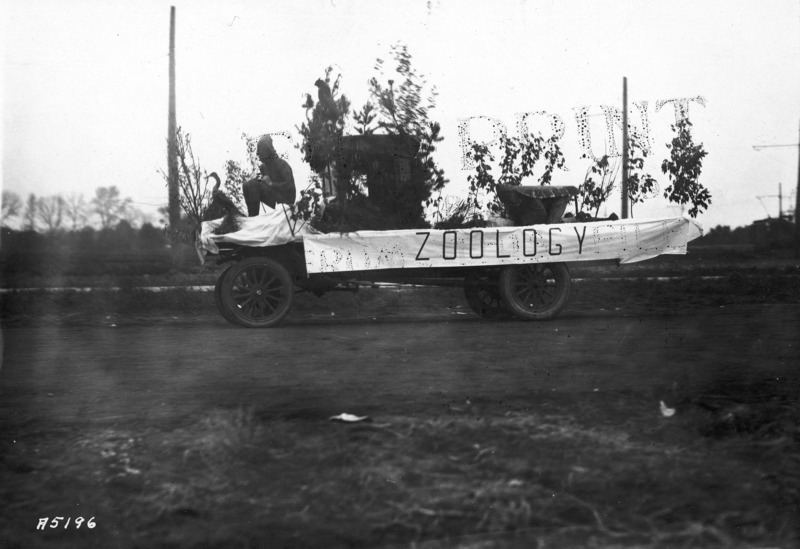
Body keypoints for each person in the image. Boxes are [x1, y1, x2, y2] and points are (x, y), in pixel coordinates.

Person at [242, 135, 296, 216]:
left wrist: (271, 184)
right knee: (246, 185)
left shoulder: (281, 164)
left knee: (253, 184)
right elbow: (264, 186)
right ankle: (251, 215)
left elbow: (289, 186)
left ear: (267, 150)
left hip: (286, 199)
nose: (258, 153)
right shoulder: (263, 167)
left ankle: (253, 216)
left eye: (261, 149)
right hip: (274, 197)